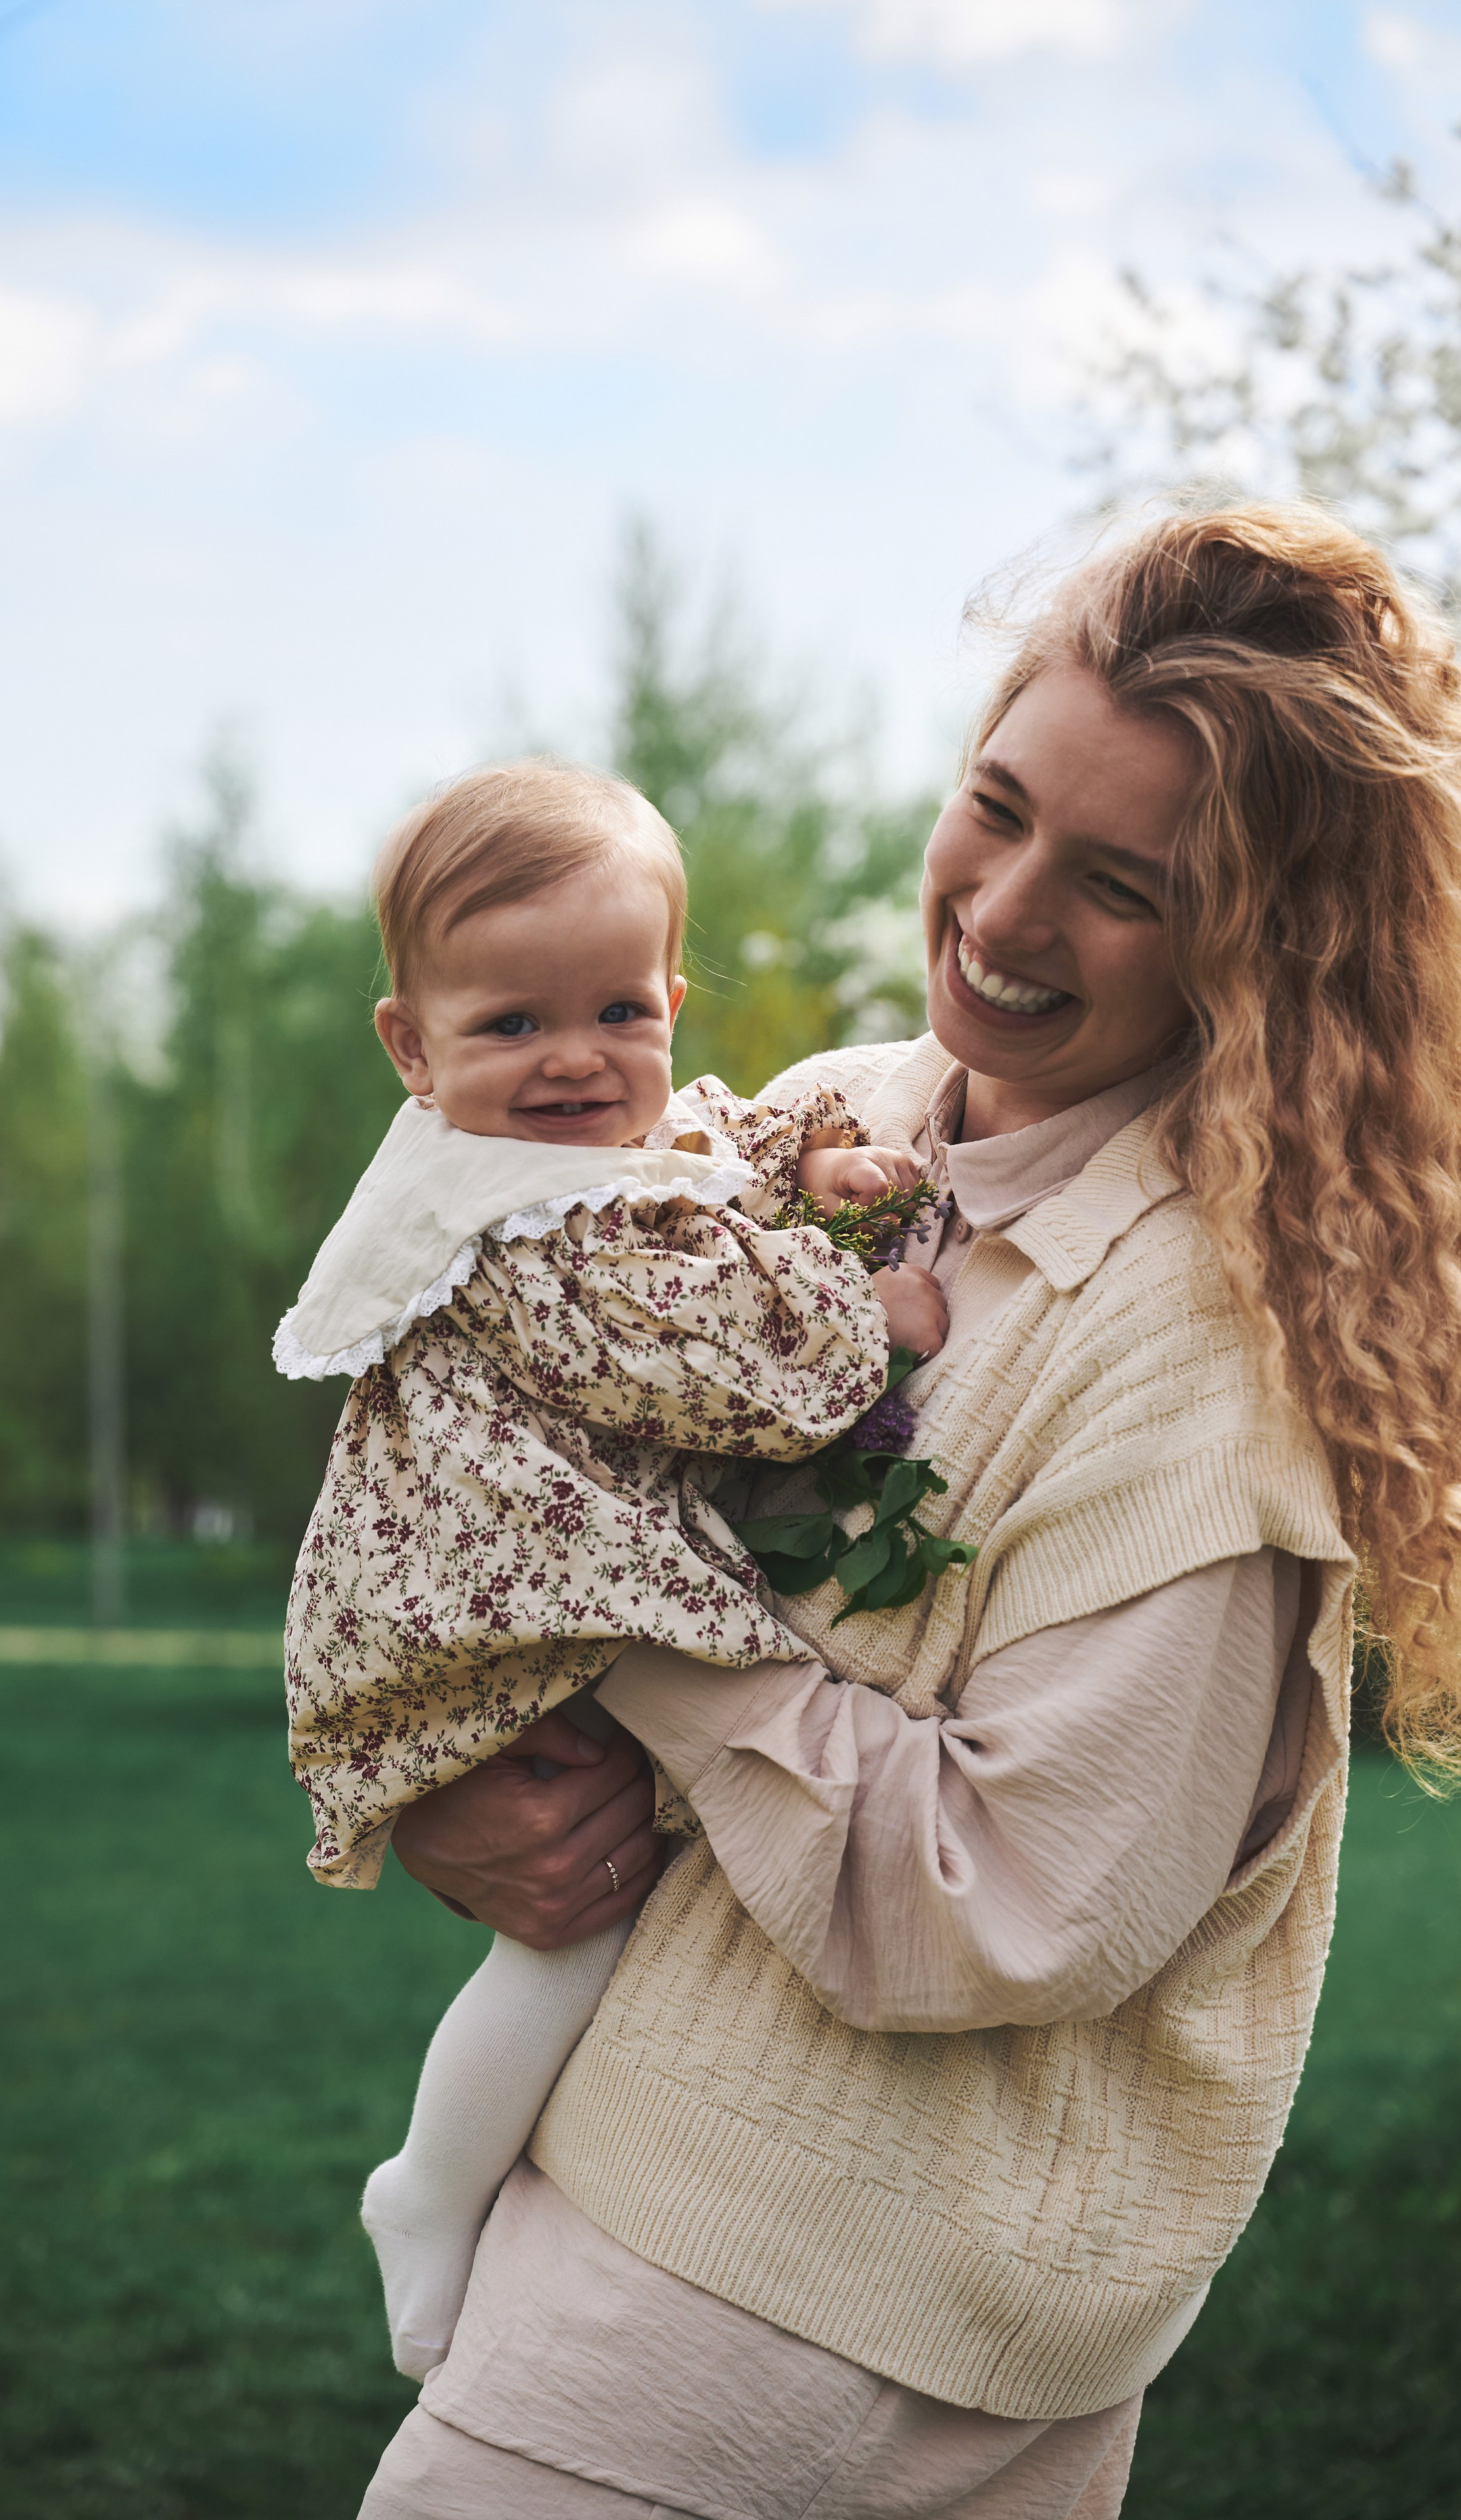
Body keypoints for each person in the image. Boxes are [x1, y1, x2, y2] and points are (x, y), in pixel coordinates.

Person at [359, 504, 1461, 2520]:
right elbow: (514, 1404)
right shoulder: (843, 1117)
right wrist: (463, 1777)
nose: (1009, 912)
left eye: (1124, 885)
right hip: (641, 2189)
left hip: (794, 2308)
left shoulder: (1211, 1348)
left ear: (1261, 940)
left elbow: (1015, 1899)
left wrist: (617, 1628)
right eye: (1000, 806)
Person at [275, 757, 949, 2379]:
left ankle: (530, 2178)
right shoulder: (516, 1222)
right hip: (497, 1610)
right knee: (572, 1921)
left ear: (666, 998)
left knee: (601, 1905)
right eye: (512, 1026)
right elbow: (692, 1356)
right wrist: (873, 1318)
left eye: (621, 1013)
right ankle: (428, 2186)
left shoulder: (582, 1153)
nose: (578, 1062)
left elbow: (701, 1149)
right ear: (411, 1046)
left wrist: (804, 1169)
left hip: (524, 1592)